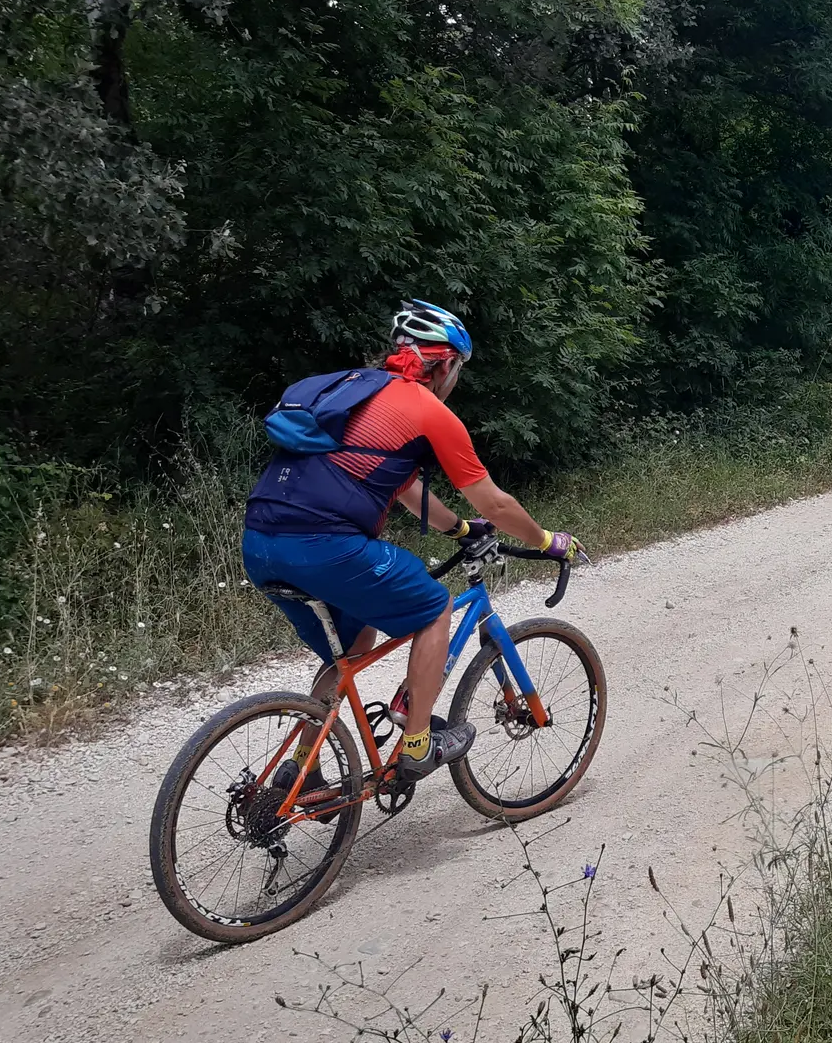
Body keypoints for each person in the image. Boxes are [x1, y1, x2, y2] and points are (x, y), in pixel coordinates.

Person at [242, 299, 582, 788]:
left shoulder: (353, 394)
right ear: (445, 365)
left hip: (260, 543)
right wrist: (549, 541)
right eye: (458, 370)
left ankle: (302, 768)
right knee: (434, 607)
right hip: (325, 545)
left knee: (351, 646)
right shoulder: (428, 411)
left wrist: (459, 529)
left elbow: (404, 487)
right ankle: (419, 744)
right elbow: (495, 504)